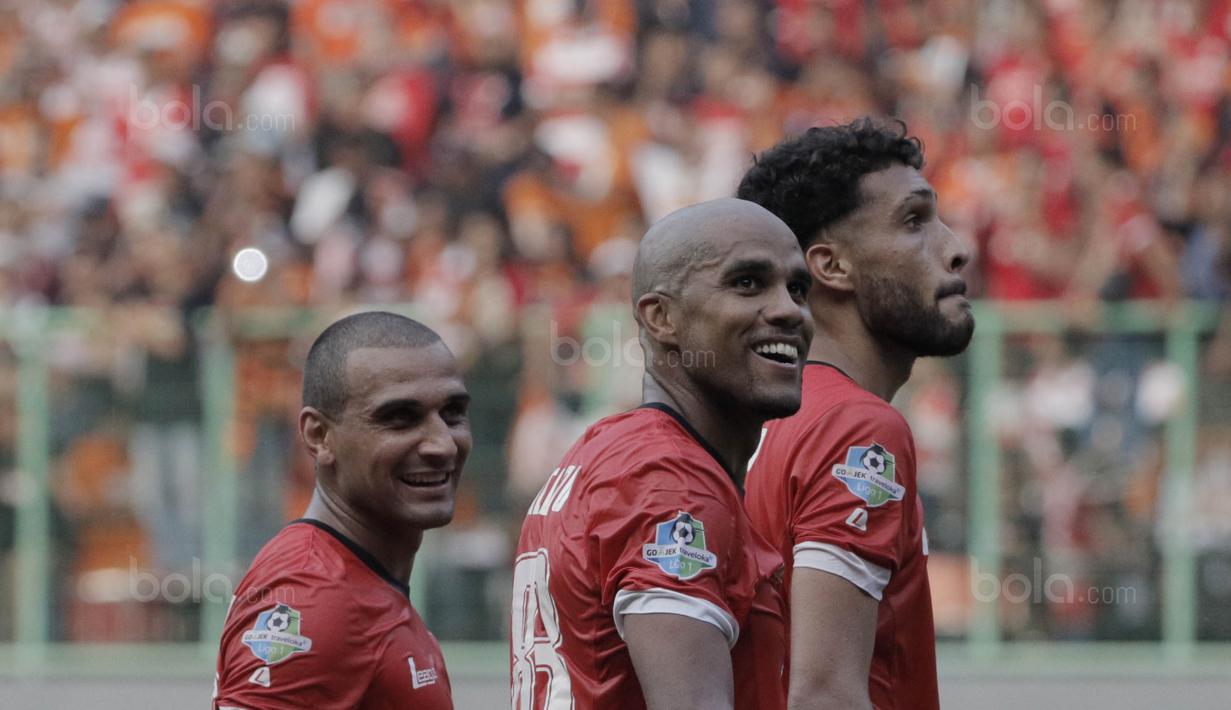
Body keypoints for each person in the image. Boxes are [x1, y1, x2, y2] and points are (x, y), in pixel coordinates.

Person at [510, 198, 813, 710]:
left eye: (798, 288)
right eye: (747, 283)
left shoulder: (611, 448)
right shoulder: (670, 479)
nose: (789, 309)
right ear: (662, 317)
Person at [736, 118, 975, 710]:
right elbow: (824, 696)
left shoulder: (750, 423)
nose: (956, 247)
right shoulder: (855, 430)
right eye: (915, 221)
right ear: (831, 266)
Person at [213, 311, 471, 709]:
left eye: (453, 413)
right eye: (400, 419)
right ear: (319, 436)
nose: (443, 445)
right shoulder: (314, 597)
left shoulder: (353, 581)